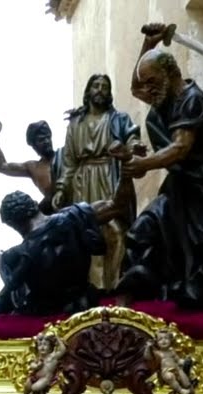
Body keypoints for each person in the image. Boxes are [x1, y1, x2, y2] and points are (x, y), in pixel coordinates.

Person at [115, 23, 203, 314]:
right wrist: (148, 46)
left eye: (153, 82)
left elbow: (180, 148)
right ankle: (125, 308)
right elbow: (136, 86)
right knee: (144, 231)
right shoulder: (162, 96)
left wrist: (144, 163)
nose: (147, 90)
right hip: (178, 190)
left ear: (170, 74)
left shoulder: (192, 100)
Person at [0, 190, 130, 317]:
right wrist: (126, 170)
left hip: (50, 312)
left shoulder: (15, 255)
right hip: (86, 297)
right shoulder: (74, 216)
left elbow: (15, 293)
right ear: (34, 204)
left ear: (13, 224)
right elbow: (117, 205)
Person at [53, 73, 140, 290]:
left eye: (104, 86)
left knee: (116, 230)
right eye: (96, 85)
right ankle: (90, 288)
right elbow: (69, 161)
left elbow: (132, 138)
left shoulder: (118, 119)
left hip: (109, 177)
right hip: (82, 181)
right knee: (84, 235)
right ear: (88, 90)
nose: (100, 89)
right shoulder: (75, 124)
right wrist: (62, 189)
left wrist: (133, 147)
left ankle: (114, 286)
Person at [0, 116, 64, 213]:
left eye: (48, 137)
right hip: (54, 212)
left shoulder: (64, 155)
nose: (47, 141)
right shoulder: (33, 167)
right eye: (41, 139)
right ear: (34, 145)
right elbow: (1, 166)